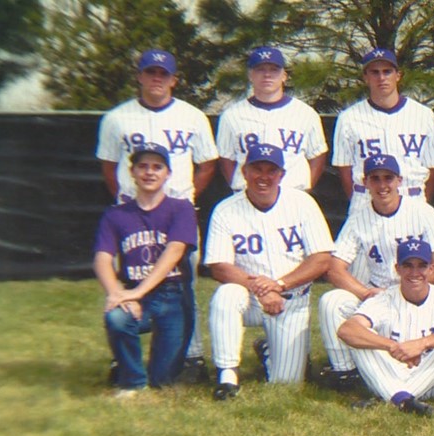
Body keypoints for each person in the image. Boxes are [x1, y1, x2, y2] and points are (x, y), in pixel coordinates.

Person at [95, 48, 219, 381]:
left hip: (177, 209)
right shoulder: (117, 118)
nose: (156, 79)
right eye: (150, 72)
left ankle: (189, 356)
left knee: (184, 285)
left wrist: (187, 196)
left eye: (163, 74)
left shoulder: (193, 116)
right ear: (139, 76)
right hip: (131, 211)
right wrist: (127, 204)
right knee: (127, 278)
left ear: (174, 80)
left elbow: (207, 164)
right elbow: (109, 166)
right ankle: (123, 355)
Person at [204, 143, 333, 400]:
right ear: (244, 171)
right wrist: (261, 288)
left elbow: (321, 259)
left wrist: (279, 285)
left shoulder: (302, 203)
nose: (263, 176)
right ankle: (228, 377)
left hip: (290, 300)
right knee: (226, 295)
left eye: (271, 170)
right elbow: (218, 265)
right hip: (249, 296)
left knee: (286, 384)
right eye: (256, 169)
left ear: (281, 175)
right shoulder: (225, 209)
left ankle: (267, 350)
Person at [316, 154, 434, 390]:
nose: (382, 185)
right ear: (365, 182)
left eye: (388, 178)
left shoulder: (423, 212)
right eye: (375, 179)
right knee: (331, 301)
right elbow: (334, 269)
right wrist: (365, 292)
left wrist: (405, 287)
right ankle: (345, 373)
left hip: (417, 293)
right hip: (379, 296)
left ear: (399, 180)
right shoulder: (359, 218)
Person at [93, 143, 197, 397]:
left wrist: (136, 292)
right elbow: (102, 258)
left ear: (167, 174)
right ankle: (132, 380)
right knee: (117, 318)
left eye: (157, 167)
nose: (149, 172)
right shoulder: (116, 214)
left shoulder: (181, 208)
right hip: (135, 293)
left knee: (163, 381)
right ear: (132, 172)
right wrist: (117, 292)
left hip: (174, 296)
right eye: (143, 166)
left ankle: (144, 370)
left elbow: (174, 251)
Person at [337, 240, 434, 417]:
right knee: (360, 338)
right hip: (393, 372)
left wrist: (422, 344)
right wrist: (392, 346)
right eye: (408, 266)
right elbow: (347, 330)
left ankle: (393, 397)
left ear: (431, 269)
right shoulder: (385, 299)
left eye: (421, 266)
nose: (415, 272)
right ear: (397, 269)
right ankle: (404, 400)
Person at [331, 48, 434, 203]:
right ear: (366, 77)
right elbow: (344, 168)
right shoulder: (348, 118)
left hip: (412, 196)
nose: (381, 77)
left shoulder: (424, 115)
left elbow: (433, 167)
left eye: (387, 71)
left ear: (398, 75)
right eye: (375, 72)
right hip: (366, 199)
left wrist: (423, 201)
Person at [216, 46, 328, 192]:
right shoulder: (232, 115)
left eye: (274, 69)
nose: (267, 75)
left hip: (292, 194)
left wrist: (306, 188)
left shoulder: (306, 113)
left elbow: (317, 155)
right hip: (247, 196)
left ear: (284, 76)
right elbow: (226, 158)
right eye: (260, 69)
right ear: (250, 75)